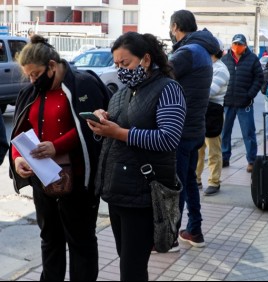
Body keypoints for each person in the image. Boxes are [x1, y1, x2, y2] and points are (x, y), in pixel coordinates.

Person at [9, 35, 110, 281]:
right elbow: (20, 131)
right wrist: (17, 158)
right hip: (42, 181)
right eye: (29, 76)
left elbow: (94, 126)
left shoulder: (84, 84)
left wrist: (57, 146)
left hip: (77, 181)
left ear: (52, 66)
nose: (33, 80)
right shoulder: (31, 91)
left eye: (36, 74)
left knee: (81, 241)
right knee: (49, 239)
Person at [89, 32, 186, 281]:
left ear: (145, 59)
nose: (121, 70)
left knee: (132, 269)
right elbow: (114, 135)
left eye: (126, 63)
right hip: (117, 190)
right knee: (127, 262)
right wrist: (102, 123)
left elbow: (168, 138)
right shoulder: (122, 93)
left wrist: (120, 132)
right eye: (117, 65)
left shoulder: (168, 89)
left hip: (144, 193)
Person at [169, 10, 220, 249]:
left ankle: (169, 238)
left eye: (171, 29)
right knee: (188, 180)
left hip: (180, 129)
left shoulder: (187, 52)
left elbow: (158, 75)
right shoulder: (202, 50)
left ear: (176, 26)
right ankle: (194, 230)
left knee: (176, 183)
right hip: (195, 126)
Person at [221, 34, 263, 173]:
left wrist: (249, 95)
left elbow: (259, 78)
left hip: (244, 103)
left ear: (245, 45)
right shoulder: (225, 59)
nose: (237, 47)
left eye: (240, 44)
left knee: (248, 132)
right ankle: (224, 157)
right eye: (235, 44)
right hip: (227, 102)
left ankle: (251, 160)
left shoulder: (252, 59)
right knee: (224, 132)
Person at [196, 38, 230, 196]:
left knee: (213, 149)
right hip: (201, 110)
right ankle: (196, 179)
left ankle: (214, 181)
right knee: (197, 149)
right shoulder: (205, 66)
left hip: (213, 111)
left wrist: (193, 90)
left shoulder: (221, 70)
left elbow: (209, 91)